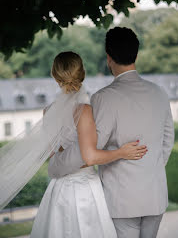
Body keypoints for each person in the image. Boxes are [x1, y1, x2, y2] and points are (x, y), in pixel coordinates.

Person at [48, 27, 175, 238]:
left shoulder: (103, 98)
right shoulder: (159, 92)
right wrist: (148, 171)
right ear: (136, 53)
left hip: (121, 199)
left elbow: (89, 150)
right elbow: (167, 142)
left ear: (108, 58)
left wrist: (56, 165)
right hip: (156, 195)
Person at [30, 51, 147, 238]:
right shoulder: (84, 110)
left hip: (58, 189)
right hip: (84, 189)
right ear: (82, 73)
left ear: (55, 75)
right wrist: (121, 152)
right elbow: (90, 157)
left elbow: (54, 156)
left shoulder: (48, 111)